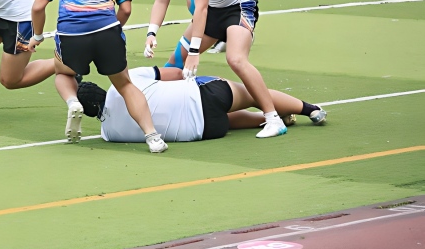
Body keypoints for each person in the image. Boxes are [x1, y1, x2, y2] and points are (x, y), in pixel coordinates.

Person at [28, 0, 167, 153]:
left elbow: (39, 6)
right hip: (107, 29)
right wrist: (111, 30)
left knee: (63, 72)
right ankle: (153, 137)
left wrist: (37, 36)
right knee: (125, 85)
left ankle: (73, 102)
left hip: (71, 33)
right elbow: (125, 9)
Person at [143, 0, 287, 139]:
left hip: (239, 7)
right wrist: (152, 32)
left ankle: (273, 119)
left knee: (236, 59)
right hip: (213, 10)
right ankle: (158, 112)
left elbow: (200, 8)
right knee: (175, 62)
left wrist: (194, 52)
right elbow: (162, 0)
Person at [77, 66, 327, 143]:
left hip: (206, 130)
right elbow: (176, 73)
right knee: (254, 94)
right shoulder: (123, 81)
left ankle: (266, 120)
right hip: (206, 94)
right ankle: (310, 110)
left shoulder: (107, 134)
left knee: (223, 118)